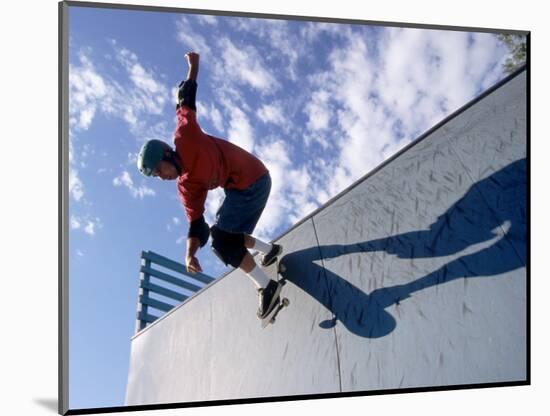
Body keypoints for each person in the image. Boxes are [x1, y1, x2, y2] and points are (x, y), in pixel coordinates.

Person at [137, 52, 283, 319]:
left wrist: (193, 66)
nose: (162, 177)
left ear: (167, 154)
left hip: (253, 179)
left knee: (223, 241)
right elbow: (195, 224)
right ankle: (270, 250)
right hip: (241, 189)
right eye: (156, 176)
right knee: (224, 232)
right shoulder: (186, 187)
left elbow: (186, 100)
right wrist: (189, 255)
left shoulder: (185, 136)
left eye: (160, 170)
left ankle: (268, 286)